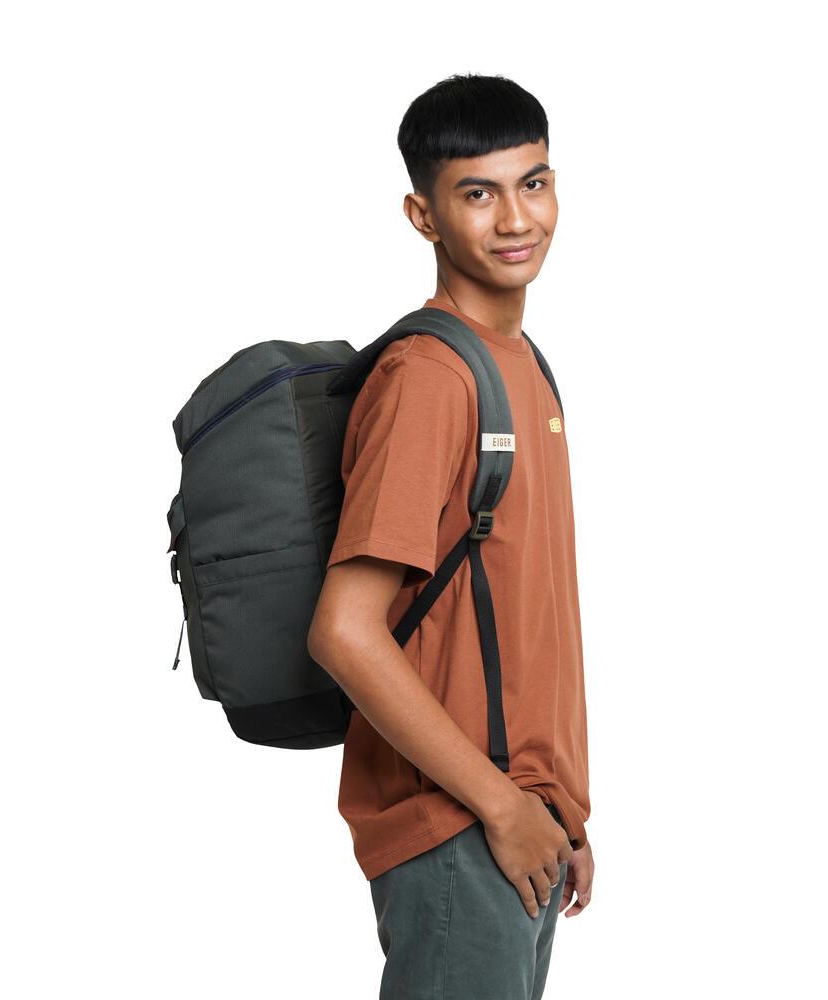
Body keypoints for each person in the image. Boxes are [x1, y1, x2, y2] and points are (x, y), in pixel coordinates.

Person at [307, 72, 594, 1000]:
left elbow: (522, 614)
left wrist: (556, 807)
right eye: (478, 193)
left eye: (533, 183)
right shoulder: (431, 378)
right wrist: (505, 805)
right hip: (460, 826)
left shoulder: (524, 366)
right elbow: (345, 630)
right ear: (422, 216)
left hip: (517, 826)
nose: (516, 218)